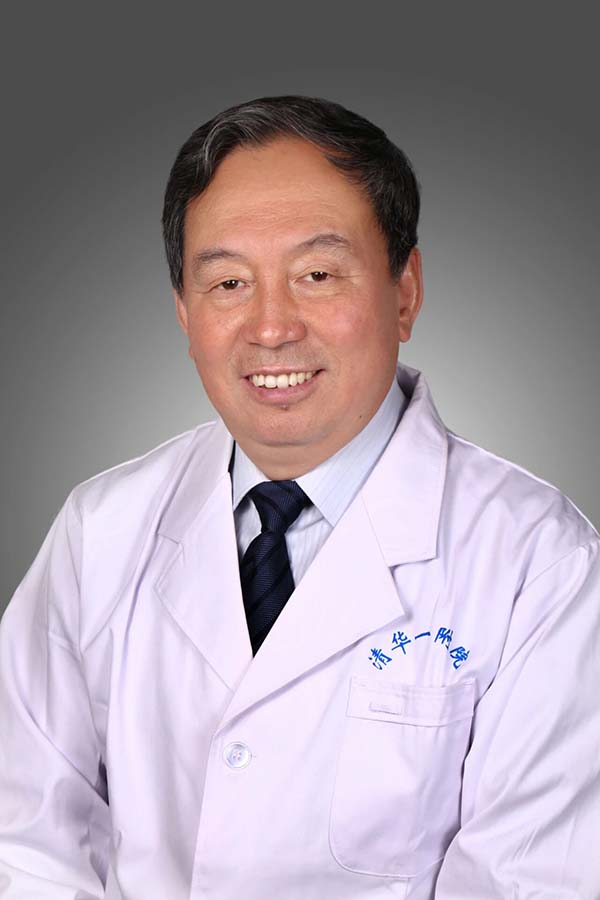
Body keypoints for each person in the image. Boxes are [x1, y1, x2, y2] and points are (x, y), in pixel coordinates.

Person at [0, 95, 598, 900]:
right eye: (228, 282)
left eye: (317, 275)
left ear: (405, 291)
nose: (271, 327)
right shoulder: (101, 528)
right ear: (184, 312)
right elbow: (24, 839)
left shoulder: (541, 562)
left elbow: (534, 880)